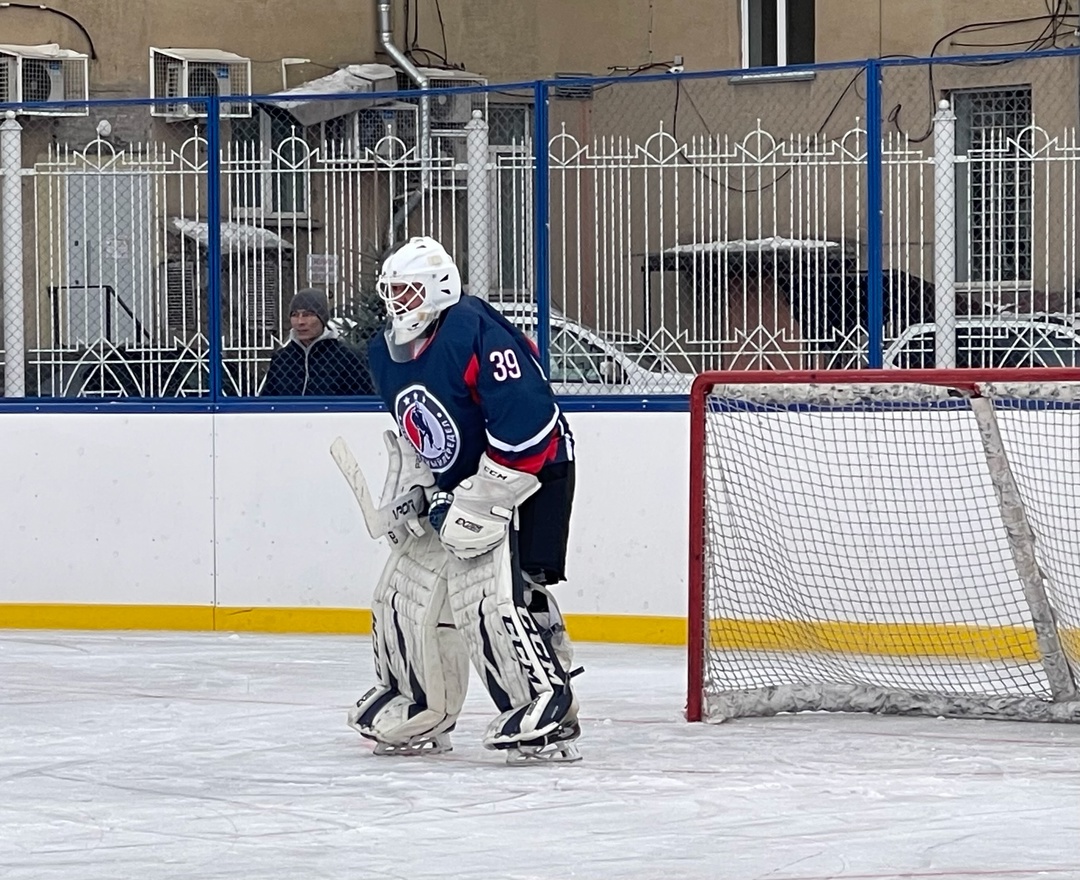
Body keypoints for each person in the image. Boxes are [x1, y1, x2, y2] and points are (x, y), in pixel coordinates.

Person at [347, 235, 581, 763]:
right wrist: (417, 487)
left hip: (535, 470)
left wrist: (482, 499)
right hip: (461, 482)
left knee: (497, 595)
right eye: (391, 291)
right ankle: (418, 702)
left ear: (439, 288)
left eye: (408, 290)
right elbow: (421, 430)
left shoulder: (474, 331)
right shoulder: (386, 353)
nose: (396, 302)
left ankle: (547, 703)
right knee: (403, 592)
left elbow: (530, 426)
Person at [260, 288, 374, 396]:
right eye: (294, 315)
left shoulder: (348, 358)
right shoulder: (281, 359)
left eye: (307, 315)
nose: (300, 322)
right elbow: (268, 401)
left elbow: (364, 401)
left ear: (322, 318)